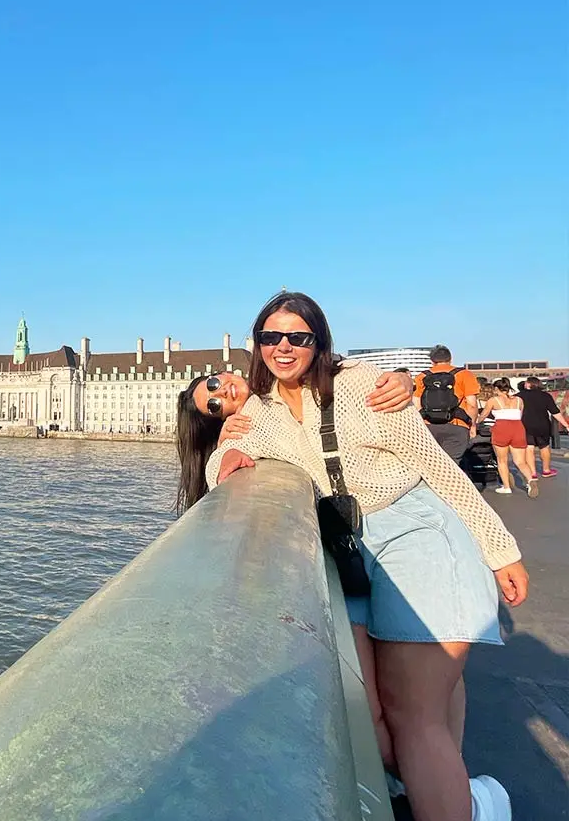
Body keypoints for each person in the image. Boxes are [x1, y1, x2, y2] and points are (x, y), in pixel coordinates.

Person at [203, 293, 527, 821]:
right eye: (271, 338)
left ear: (318, 341)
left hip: (413, 528)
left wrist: (499, 549)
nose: (283, 348)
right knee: (367, 715)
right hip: (347, 548)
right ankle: (468, 799)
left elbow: (436, 467)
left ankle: (460, 802)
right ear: (255, 344)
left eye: (298, 338)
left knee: (413, 716)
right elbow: (227, 454)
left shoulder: (362, 385)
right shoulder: (259, 409)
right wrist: (227, 457)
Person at [175, 366, 416, 513]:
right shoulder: (245, 425)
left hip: (405, 492)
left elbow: (342, 371)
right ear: (222, 418)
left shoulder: (284, 378)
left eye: (214, 384)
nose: (222, 392)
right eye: (215, 404)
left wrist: (404, 378)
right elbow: (223, 458)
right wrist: (225, 449)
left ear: (222, 373)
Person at [413, 346, 480, 466]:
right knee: (452, 466)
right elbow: (472, 404)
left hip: (429, 427)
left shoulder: (421, 377)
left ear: (432, 361)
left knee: (431, 465)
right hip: (457, 425)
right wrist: (473, 425)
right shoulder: (464, 374)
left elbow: (417, 404)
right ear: (450, 359)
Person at [476, 379, 536, 496]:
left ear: (496, 389)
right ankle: (531, 480)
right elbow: (520, 415)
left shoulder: (494, 400)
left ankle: (506, 487)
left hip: (502, 429)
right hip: (518, 429)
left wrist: (475, 422)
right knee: (520, 461)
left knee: (502, 460)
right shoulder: (519, 400)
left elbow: (483, 415)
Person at [520, 375, 569, 478]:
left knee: (529, 448)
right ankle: (546, 470)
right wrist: (566, 425)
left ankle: (532, 473)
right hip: (543, 425)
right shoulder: (545, 396)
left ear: (529, 384)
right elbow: (555, 412)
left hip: (525, 425)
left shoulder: (519, 396)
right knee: (544, 447)